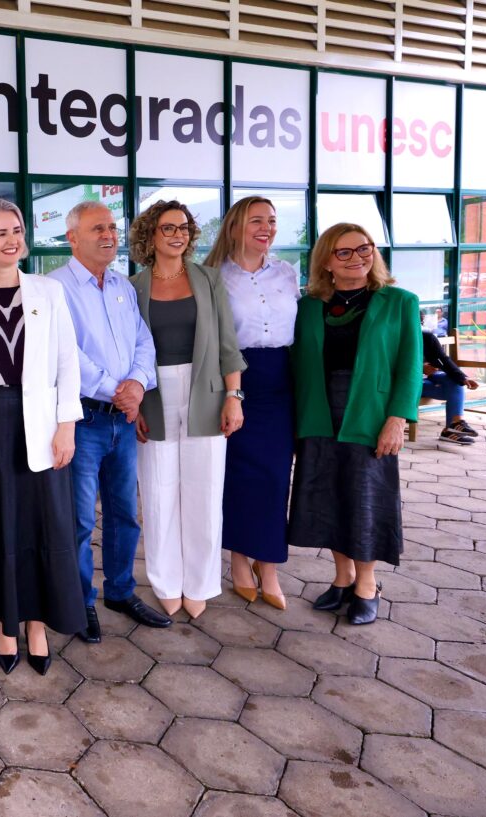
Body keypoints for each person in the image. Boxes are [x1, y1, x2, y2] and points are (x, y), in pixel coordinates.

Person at [0, 199, 84, 676]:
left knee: (41, 527)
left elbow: (68, 361)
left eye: (17, 230)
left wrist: (66, 424)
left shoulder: (49, 291)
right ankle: (7, 625)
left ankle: (37, 623)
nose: (12, 240)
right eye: (0, 233)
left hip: (40, 428)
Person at [48, 201, 173, 641]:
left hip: (124, 418)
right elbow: (64, 352)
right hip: (82, 420)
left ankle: (120, 591)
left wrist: (136, 385)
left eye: (112, 228)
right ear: (72, 238)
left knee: (124, 514)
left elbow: (143, 341)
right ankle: (80, 602)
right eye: (97, 228)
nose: (109, 235)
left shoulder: (122, 285)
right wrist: (114, 389)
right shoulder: (55, 288)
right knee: (80, 521)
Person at [292, 223, 422, 626]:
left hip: (371, 413)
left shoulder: (399, 301)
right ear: (326, 262)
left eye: (364, 249)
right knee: (328, 496)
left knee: (365, 498)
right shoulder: (308, 306)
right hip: (318, 410)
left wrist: (398, 419)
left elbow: (410, 366)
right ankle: (343, 577)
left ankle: (367, 584)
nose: (357, 258)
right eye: (344, 252)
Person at [129, 200, 246, 621]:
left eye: (184, 228)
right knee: (158, 493)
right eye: (168, 228)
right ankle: (165, 582)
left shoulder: (208, 279)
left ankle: (199, 583)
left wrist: (234, 396)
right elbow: (128, 350)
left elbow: (228, 343)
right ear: (150, 235)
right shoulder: (133, 286)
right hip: (153, 395)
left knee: (204, 492)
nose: (178, 235)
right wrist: (134, 404)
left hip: (207, 394)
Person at [203, 197, 299, 610]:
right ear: (234, 227)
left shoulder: (287, 273)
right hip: (235, 380)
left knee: (275, 479)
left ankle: (269, 564)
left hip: (280, 381)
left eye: (272, 221)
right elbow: (215, 343)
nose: (267, 228)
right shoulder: (214, 277)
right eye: (256, 220)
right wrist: (233, 395)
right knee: (238, 477)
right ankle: (240, 560)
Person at [421, 330, 480, 444]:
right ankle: (450, 430)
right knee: (454, 388)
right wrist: (421, 367)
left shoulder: (426, 337)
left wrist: (463, 378)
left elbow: (444, 359)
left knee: (456, 382)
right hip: (411, 383)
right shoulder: (397, 337)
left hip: (431, 378)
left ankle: (456, 423)